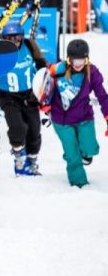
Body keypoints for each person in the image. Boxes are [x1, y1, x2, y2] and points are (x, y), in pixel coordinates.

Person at [44, 40, 108, 188]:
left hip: (84, 117)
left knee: (90, 149)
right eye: (74, 60)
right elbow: (43, 86)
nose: (78, 64)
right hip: (61, 120)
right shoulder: (57, 70)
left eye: (82, 60)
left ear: (87, 59)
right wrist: (43, 102)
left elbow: (103, 97)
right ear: (69, 59)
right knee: (72, 155)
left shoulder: (92, 72)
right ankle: (79, 182)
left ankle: (81, 153)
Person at [0, 22, 47, 176]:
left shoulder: (29, 45)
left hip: (29, 95)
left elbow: (41, 65)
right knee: (17, 127)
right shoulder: (0, 50)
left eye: (17, 37)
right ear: (4, 38)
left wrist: (40, 88)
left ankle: (32, 160)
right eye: (10, 38)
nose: (14, 41)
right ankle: (19, 155)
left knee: (34, 129)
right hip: (9, 95)